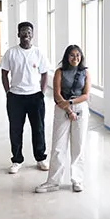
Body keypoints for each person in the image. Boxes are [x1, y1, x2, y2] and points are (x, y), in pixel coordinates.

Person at [35, 45, 92, 193]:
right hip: (62, 108)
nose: (75, 58)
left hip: (79, 107)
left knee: (78, 146)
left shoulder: (85, 72)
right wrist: (67, 109)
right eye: (72, 55)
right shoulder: (60, 72)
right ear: (67, 57)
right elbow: (57, 95)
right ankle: (53, 181)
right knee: (58, 146)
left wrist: (72, 103)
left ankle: (77, 180)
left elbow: (86, 95)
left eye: (78, 56)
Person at [1, 22, 50, 174]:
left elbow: (44, 73)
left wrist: (42, 92)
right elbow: (4, 73)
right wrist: (8, 92)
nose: (26, 34)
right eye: (23, 31)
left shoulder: (38, 52)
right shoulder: (11, 52)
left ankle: (40, 158)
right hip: (15, 97)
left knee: (39, 128)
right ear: (18, 34)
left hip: (35, 97)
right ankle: (16, 160)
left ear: (32, 34)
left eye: (29, 31)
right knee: (15, 129)